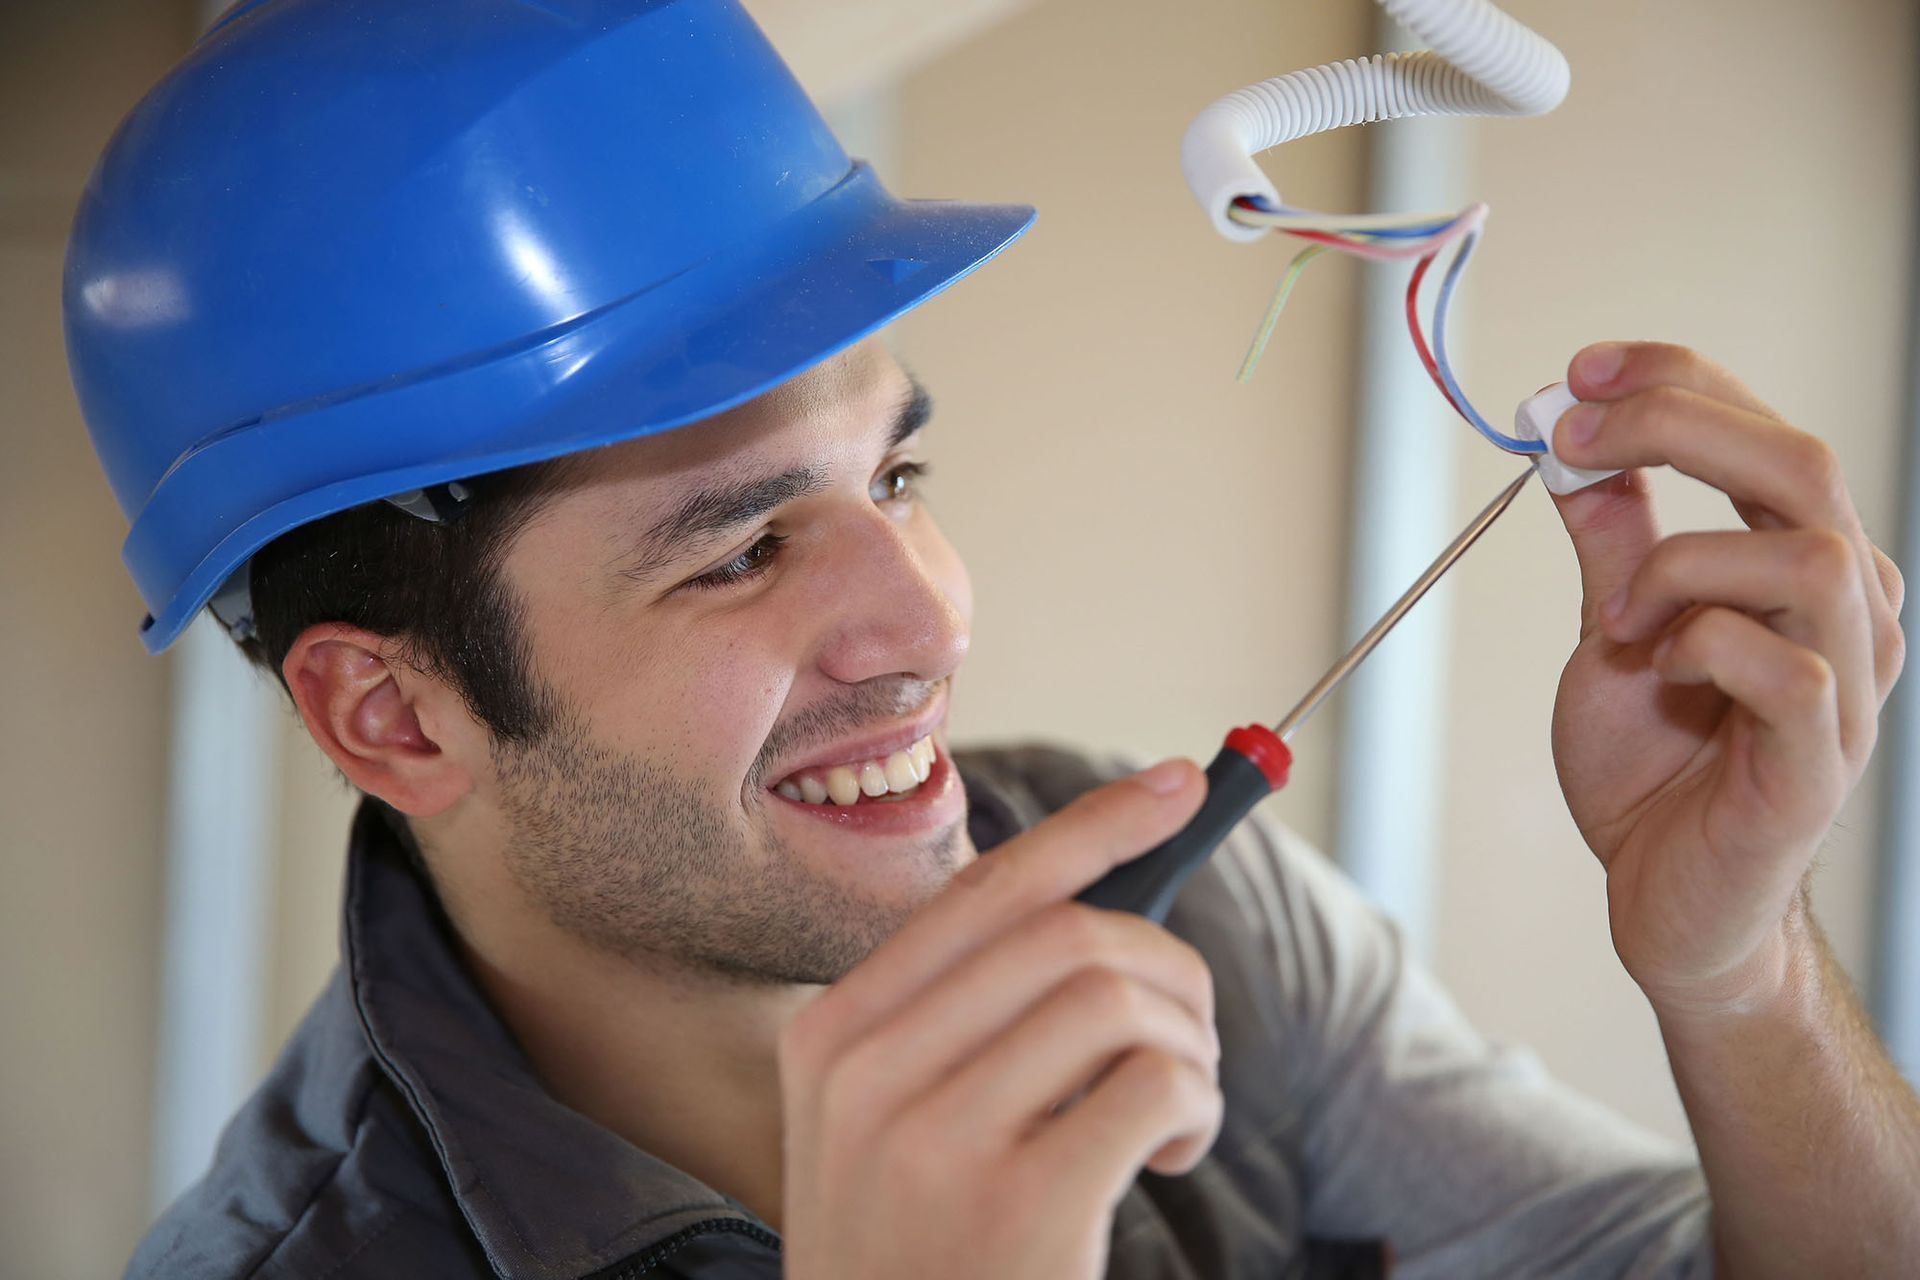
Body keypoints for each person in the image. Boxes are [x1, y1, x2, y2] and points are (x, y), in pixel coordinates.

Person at [68, 2, 1920, 1277]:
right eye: (737, 551)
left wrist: (1739, 972)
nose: (925, 615)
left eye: (901, 468)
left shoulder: (1192, 915)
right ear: (392, 716)